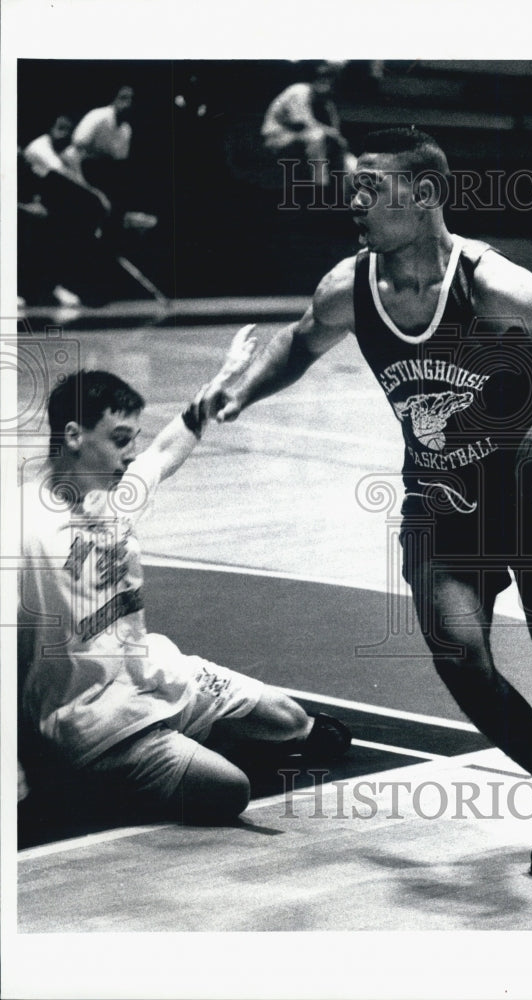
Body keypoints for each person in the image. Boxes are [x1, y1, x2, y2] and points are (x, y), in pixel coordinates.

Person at [203, 127, 532, 880]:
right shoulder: (348, 287)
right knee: (458, 652)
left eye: (372, 187)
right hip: (441, 500)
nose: (352, 199)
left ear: (423, 195)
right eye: (352, 186)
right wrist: (238, 389)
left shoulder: (492, 285)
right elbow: (298, 344)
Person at [18, 339, 351, 827]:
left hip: (154, 672)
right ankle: (76, 776)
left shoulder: (114, 493)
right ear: (73, 436)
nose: (130, 454)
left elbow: (165, 450)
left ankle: (189, 736)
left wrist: (215, 389)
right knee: (229, 790)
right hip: (92, 717)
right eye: (119, 439)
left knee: (298, 725)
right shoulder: (22, 526)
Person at [20, 114, 111, 307]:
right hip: (20, 199)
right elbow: (65, 178)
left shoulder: (67, 153)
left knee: (66, 226)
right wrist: (96, 199)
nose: (64, 134)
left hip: (44, 203)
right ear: (50, 128)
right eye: (60, 128)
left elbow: (81, 183)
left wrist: (99, 201)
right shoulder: (40, 148)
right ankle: (24, 288)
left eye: (68, 130)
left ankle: (55, 284)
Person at [63, 85, 157, 234]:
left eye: (132, 100)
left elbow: (116, 164)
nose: (128, 103)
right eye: (124, 98)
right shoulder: (98, 116)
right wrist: (88, 189)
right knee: (97, 203)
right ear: (115, 98)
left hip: (98, 174)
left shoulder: (126, 130)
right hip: (73, 168)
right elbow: (74, 152)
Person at [261, 61, 356, 189]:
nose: (326, 82)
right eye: (323, 78)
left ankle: (347, 196)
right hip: (277, 136)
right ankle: (320, 185)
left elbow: (336, 132)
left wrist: (339, 141)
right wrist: (333, 135)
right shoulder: (299, 91)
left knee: (349, 160)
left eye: (330, 78)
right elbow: (303, 123)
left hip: (300, 137)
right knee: (316, 136)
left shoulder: (327, 104)